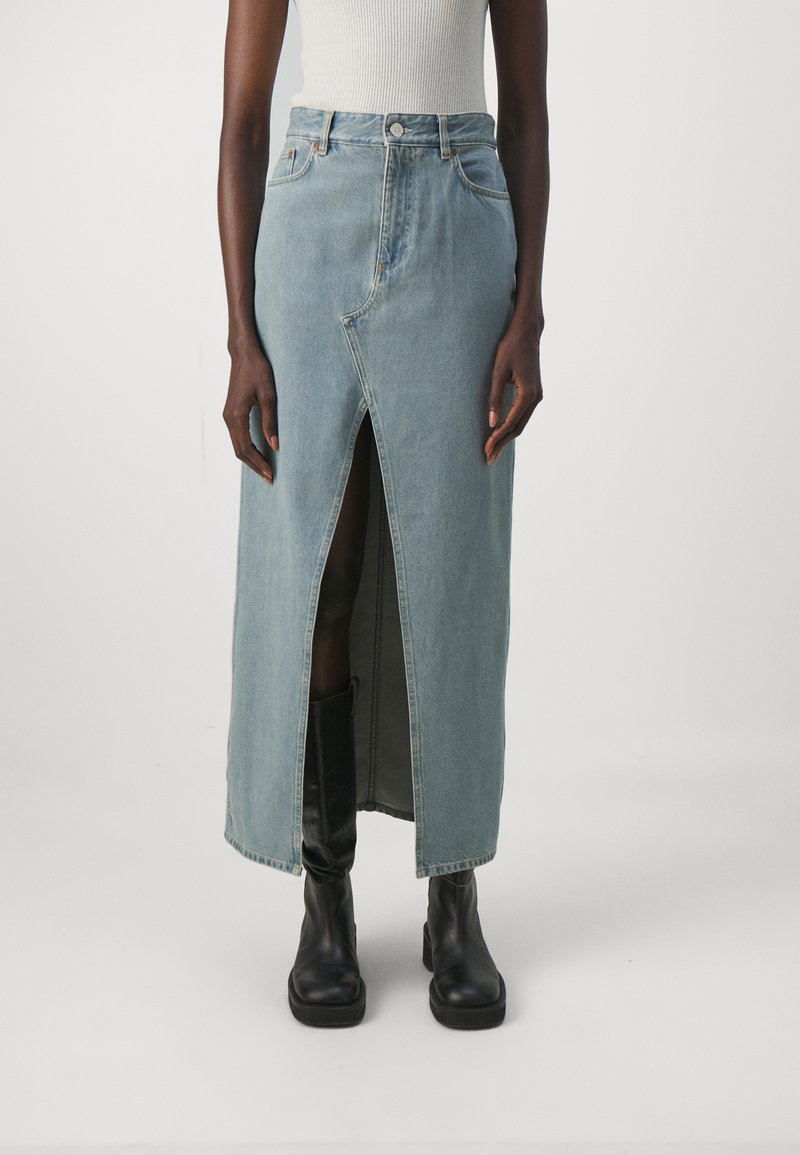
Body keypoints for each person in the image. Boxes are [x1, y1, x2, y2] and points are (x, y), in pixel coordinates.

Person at [217, 0, 549, 1030]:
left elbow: (528, 113)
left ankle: (454, 896)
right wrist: (238, 335)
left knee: (448, 572)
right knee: (318, 567)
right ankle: (327, 900)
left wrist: (529, 311)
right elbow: (240, 122)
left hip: (459, 214)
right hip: (312, 214)